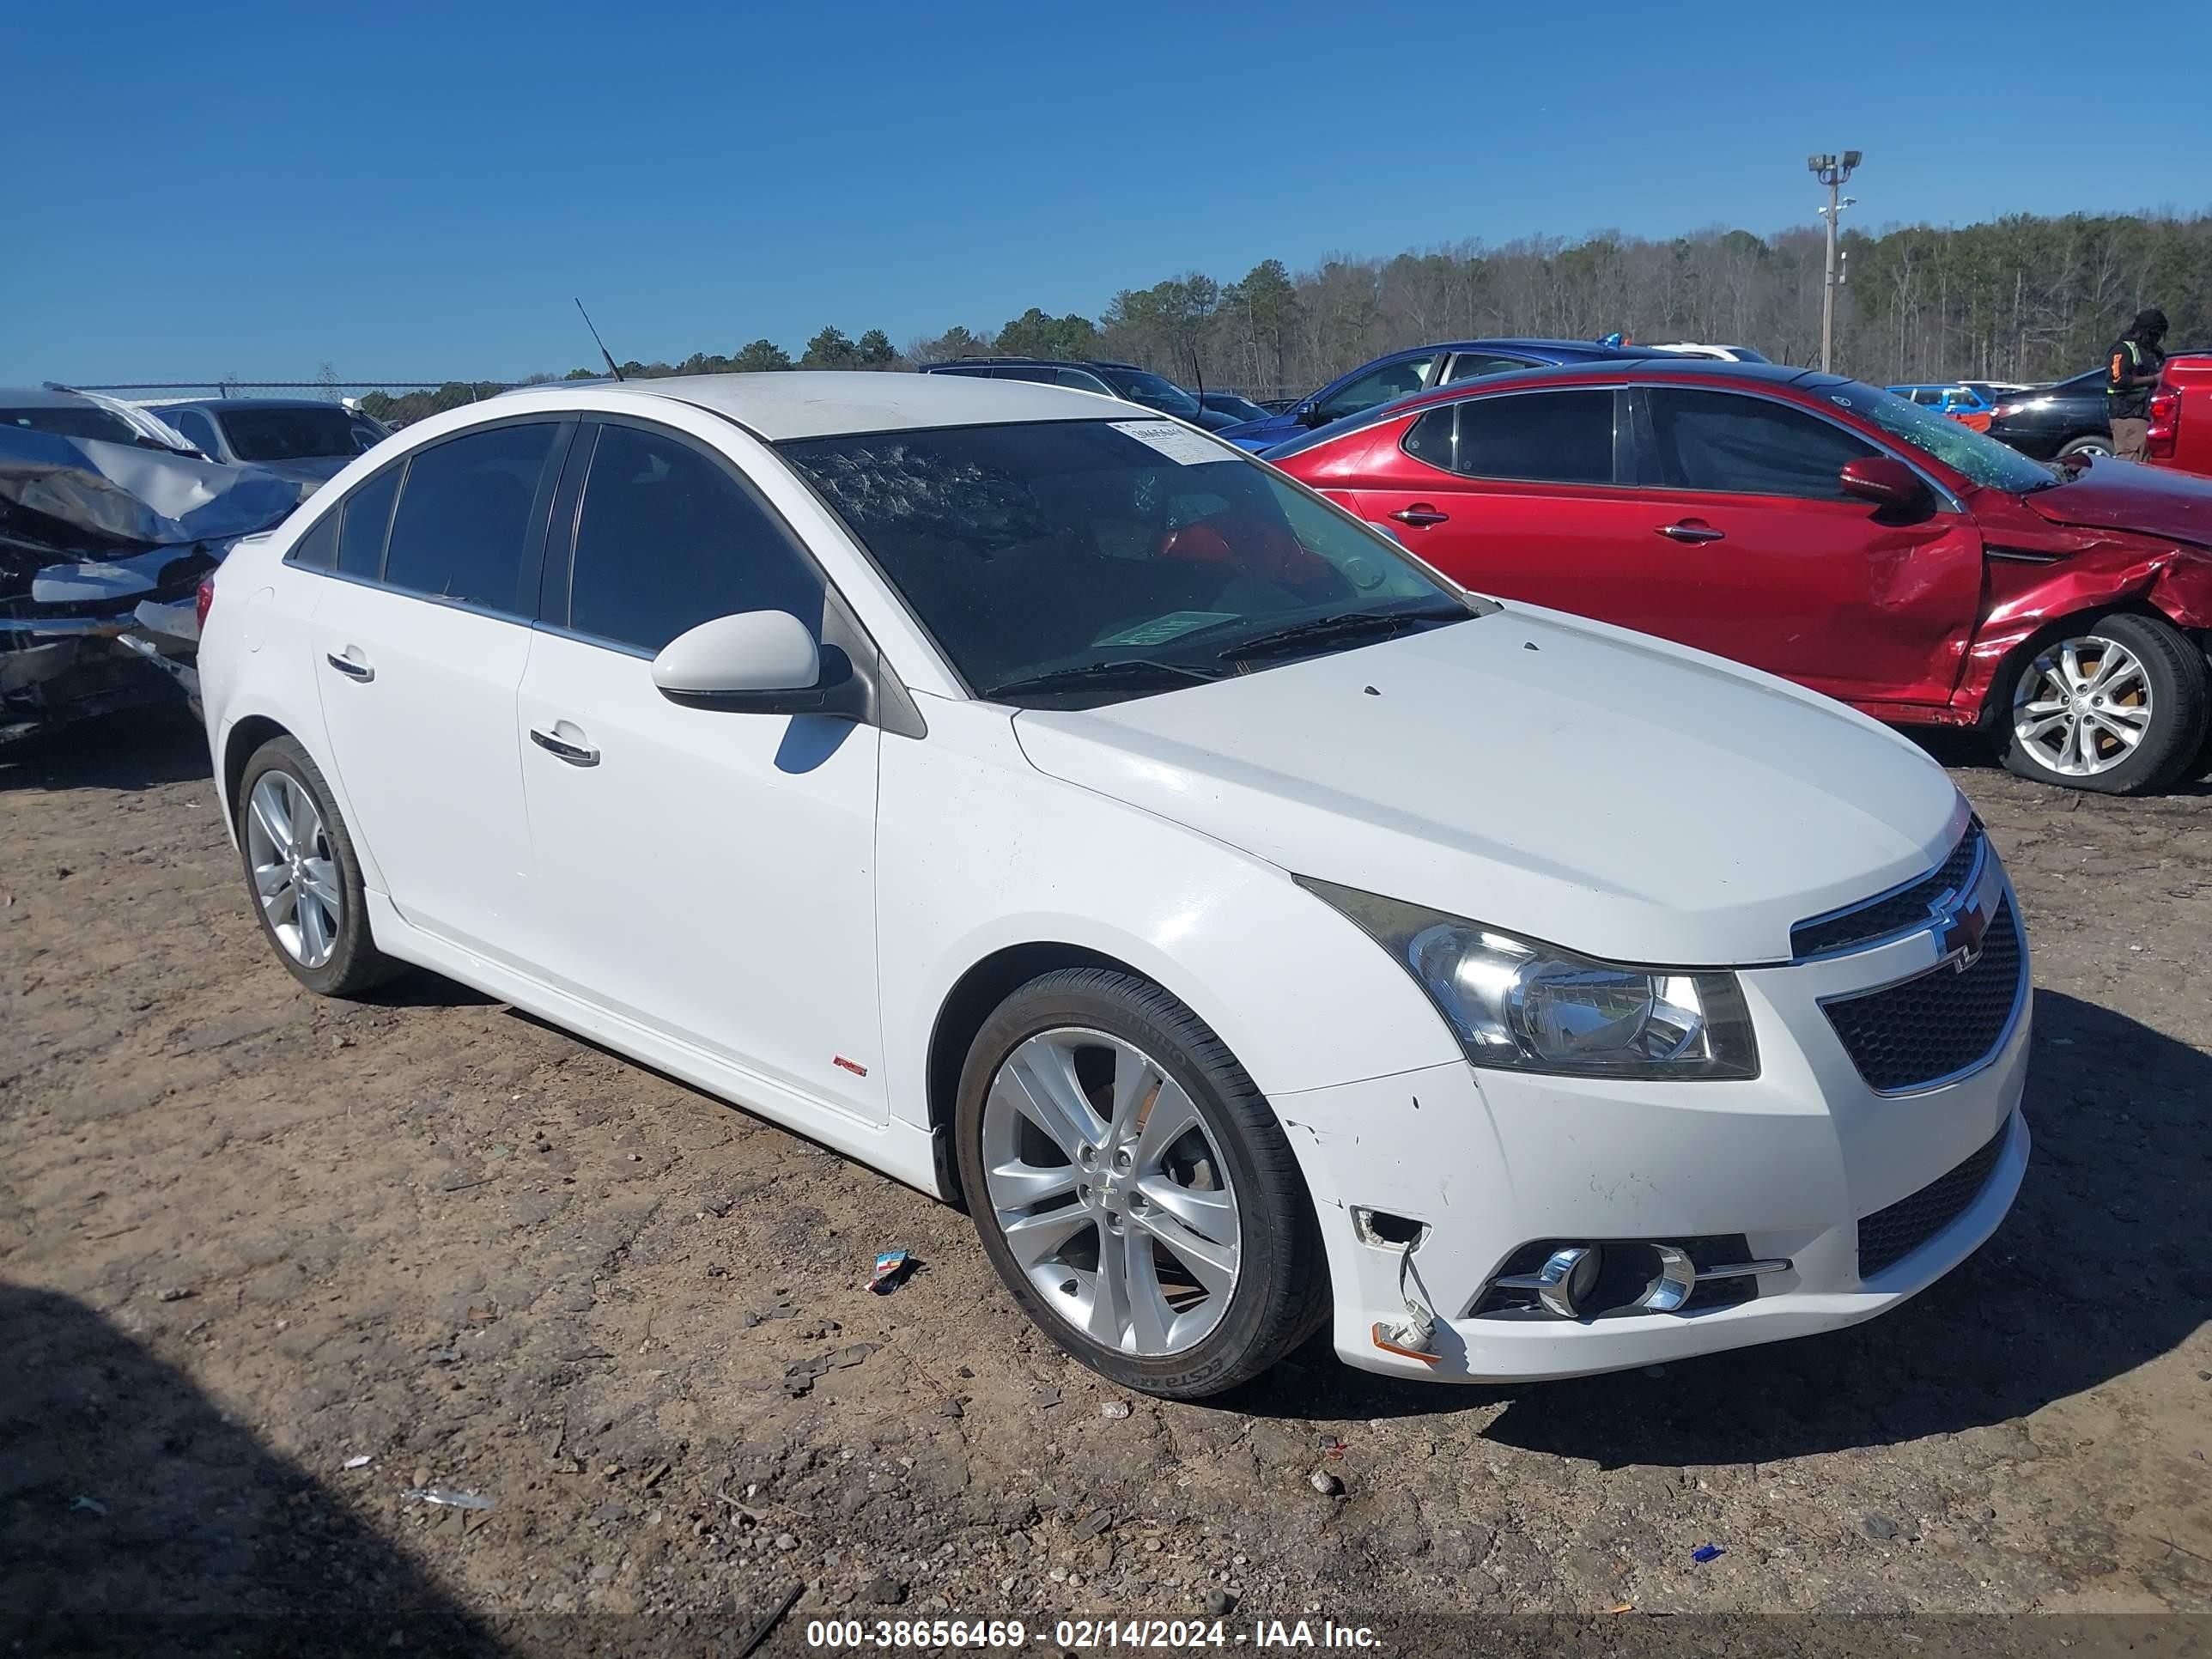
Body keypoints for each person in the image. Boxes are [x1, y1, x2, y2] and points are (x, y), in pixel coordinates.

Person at [2106, 307, 2169, 460]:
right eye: (2156, 334)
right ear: (2145, 331)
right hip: (2128, 415)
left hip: (2149, 414)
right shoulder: (2123, 350)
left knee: (2146, 460)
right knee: (2131, 461)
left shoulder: (2155, 352)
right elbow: (2118, 380)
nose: (2158, 339)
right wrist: (2155, 379)